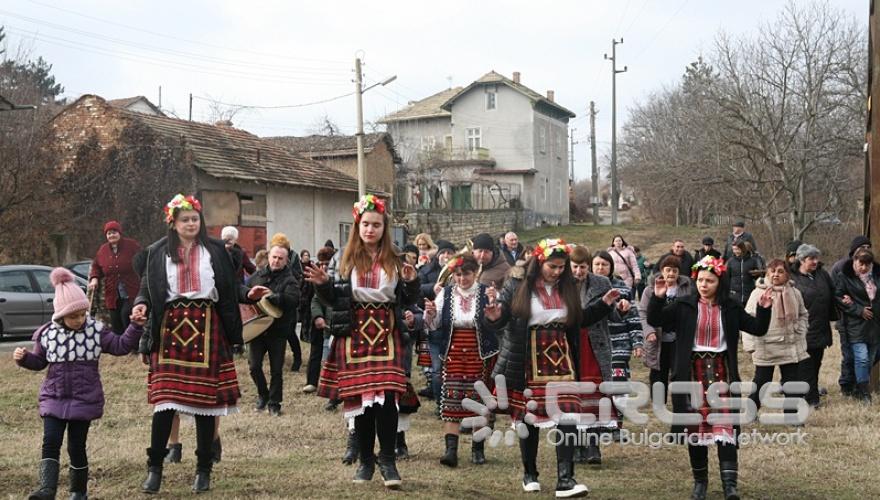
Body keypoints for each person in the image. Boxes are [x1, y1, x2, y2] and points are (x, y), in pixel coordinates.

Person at [134, 194, 269, 494]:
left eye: (195, 218)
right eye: (185, 220)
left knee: (206, 406)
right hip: (170, 329)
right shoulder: (157, 252)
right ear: (173, 223)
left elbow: (230, 286)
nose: (192, 224)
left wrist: (248, 294)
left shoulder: (216, 250)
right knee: (164, 404)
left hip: (208, 327)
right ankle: (155, 468)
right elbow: (147, 288)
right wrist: (141, 305)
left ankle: (203, 469)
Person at [484, 238, 619, 497]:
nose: (557, 272)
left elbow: (579, 319)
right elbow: (501, 318)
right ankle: (530, 473)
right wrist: (493, 317)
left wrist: (603, 304)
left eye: (561, 267)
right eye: (552, 267)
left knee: (567, 414)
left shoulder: (567, 287)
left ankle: (565, 479)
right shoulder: (517, 285)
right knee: (531, 418)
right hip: (528, 356)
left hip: (562, 356)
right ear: (539, 262)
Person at [304, 194, 420, 489]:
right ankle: (366, 461)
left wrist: (411, 281)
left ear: (384, 227)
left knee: (388, 403)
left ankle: (388, 461)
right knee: (363, 405)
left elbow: (408, 299)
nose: (370, 229)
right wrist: (323, 286)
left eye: (376, 225)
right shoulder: (344, 259)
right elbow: (334, 300)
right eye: (365, 224)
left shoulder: (396, 259)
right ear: (358, 226)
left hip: (387, 332)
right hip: (355, 332)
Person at [648, 256, 773, 500]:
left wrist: (764, 308)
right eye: (700, 280)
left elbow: (758, 328)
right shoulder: (684, 305)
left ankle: (730, 486)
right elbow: (656, 320)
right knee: (696, 429)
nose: (703, 285)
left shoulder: (731, 307)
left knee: (724, 427)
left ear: (720, 282)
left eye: (709, 281)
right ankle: (700, 483)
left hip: (721, 372)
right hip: (691, 372)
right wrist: (658, 297)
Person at [14, 268, 145, 500]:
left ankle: (78, 491)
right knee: (50, 442)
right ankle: (47, 489)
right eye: (73, 316)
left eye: (83, 314)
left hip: (84, 400)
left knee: (76, 447)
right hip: (54, 398)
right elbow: (39, 362)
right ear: (60, 315)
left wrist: (134, 327)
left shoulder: (95, 332)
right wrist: (24, 359)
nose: (79, 320)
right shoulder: (48, 335)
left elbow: (120, 346)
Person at [423, 253, 498, 468]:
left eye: (466, 274)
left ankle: (477, 449)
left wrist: (495, 308)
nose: (462, 279)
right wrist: (431, 313)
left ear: (476, 273)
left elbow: (497, 324)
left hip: (479, 352)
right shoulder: (445, 294)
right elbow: (435, 325)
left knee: (479, 400)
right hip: (453, 351)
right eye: (457, 275)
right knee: (451, 400)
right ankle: (451, 451)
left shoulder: (487, 293)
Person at [569, 246, 619, 465]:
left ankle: (592, 445)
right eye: (575, 267)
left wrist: (622, 309)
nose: (579, 271)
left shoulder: (601, 283)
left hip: (595, 344)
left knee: (596, 394)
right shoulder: (561, 285)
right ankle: (577, 444)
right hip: (570, 345)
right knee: (573, 395)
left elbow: (614, 315)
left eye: (583, 267)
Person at [590, 251, 644, 451]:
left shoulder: (622, 288)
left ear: (611, 267)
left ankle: (617, 425)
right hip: (596, 345)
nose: (600, 268)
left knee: (619, 387)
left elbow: (633, 317)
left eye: (604, 264)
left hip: (618, 345)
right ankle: (602, 423)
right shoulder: (588, 288)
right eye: (597, 264)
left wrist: (637, 342)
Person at [743, 259, 809, 411]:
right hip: (766, 345)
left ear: (787, 274)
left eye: (780, 271)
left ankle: (793, 415)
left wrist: (800, 329)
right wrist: (749, 345)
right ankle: (751, 411)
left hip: (790, 344)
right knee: (761, 381)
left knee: (792, 382)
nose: (776, 275)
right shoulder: (758, 293)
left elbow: (803, 314)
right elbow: (747, 319)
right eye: (772, 271)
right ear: (767, 273)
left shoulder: (794, 292)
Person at [247, 245, 301, 415]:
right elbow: (246, 295)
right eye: (274, 257)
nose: (276, 261)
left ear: (286, 261)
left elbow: (293, 300)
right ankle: (263, 395)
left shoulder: (290, 279)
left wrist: (275, 297)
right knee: (254, 367)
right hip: (257, 329)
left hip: (278, 331)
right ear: (269, 256)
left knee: (276, 370)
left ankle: (274, 403)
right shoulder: (257, 276)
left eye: (280, 258)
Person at [639, 255, 693, 404]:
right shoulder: (650, 290)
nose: (671, 274)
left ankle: (682, 400)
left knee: (680, 369)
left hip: (679, 338)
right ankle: (658, 401)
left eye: (675, 271)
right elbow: (643, 313)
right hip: (657, 338)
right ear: (662, 271)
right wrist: (648, 331)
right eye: (668, 270)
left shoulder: (686, 289)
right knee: (658, 371)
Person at [789, 244, 837, 407]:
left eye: (817, 258)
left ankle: (810, 392)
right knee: (806, 366)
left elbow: (834, 292)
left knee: (816, 364)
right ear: (802, 260)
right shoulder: (792, 278)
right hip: (802, 330)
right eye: (812, 259)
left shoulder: (822, 274)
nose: (816, 261)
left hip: (821, 328)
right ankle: (811, 399)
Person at [834, 248, 880, 403]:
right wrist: (858, 309)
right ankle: (863, 391)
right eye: (861, 263)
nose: (864, 267)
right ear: (854, 261)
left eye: (867, 264)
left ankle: (857, 387)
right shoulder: (845, 276)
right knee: (862, 358)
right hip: (856, 325)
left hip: (875, 325)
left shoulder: (876, 276)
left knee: (871, 358)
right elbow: (839, 297)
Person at [830, 236, 871, 395]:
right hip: (846, 318)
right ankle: (846, 386)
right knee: (849, 355)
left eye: (868, 246)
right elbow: (836, 294)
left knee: (866, 355)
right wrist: (852, 305)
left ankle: (858, 385)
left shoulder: (872, 266)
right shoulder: (840, 267)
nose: (866, 249)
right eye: (863, 246)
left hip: (868, 320)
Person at [88, 220, 142, 334]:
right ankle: (120, 347)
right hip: (112, 292)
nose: (111, 235)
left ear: (120, 233)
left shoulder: (131, 245)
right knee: (115, 319)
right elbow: (96, 266)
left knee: (126, 314)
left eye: (114, 232)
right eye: (109, 233)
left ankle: (133, 345)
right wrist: (94, 278)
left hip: (131, 289)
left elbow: (143, 259)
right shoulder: (103, 250)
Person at [269, 233, 303, 372]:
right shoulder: (272, 255)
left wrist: (290, 287)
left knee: (290, 332)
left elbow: (298, 275)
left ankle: (298, 358)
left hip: (289, 296)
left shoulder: (294, 257)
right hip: (274, 299)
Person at [304, 247, 334, 394]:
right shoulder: (315, 275)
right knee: (315, 351)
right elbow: (315, 300)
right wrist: (317, 316)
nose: (323, 267)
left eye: (327, 263)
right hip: (319, 321)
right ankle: (311, 381)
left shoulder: (338, 276)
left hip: (336, 324)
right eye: (321, 263)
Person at [727, 241, 762, 307]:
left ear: (742, 248)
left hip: (749, 294)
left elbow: (758, 277)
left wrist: (756, 274)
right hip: (734, 295)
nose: (735, 251)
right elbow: (727, 277)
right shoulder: (730, 261)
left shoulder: (752, 260)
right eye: (733, 249)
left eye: (737, 249)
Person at [299, 249, 314, 343]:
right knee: (302, 318)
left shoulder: (312, 266)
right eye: (305, 255)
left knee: (308, 318)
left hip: (310, 295)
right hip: (302, 296)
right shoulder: (299, 267)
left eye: (308, 255)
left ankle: (307, 336)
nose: (306, 257)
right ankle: (303, 336)